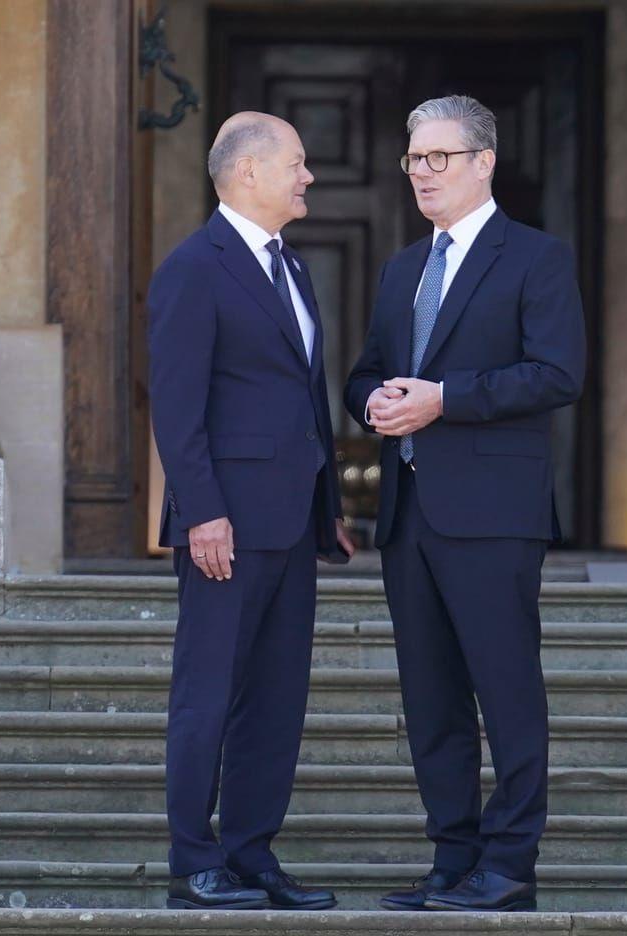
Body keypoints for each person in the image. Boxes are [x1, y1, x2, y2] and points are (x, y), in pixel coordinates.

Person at [344, 94, 586, 913]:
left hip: (493, 514)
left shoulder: (536, 257)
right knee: (431, 699)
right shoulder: (402, 268)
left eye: (439, 158)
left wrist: (444, 399)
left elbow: (557, 373)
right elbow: (365, 370)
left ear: (484, 162)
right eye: (414, 159)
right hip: (408, 514)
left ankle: (509, 864)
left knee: (506, 692)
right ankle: (453, 860)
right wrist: (374, 401)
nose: (423, 173)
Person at [148, 111, 354, 911]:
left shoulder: (289, 266)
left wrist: (327, 508)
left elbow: (300, 399)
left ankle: (251, 854)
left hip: (290, 521)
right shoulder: (194, 267)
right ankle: (193, 861)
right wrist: (202, 512)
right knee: (209, 691)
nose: (308, 177)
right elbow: (177, 406)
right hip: (225, 526)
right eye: (297, 163)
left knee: (275, 698)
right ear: (248, 173)